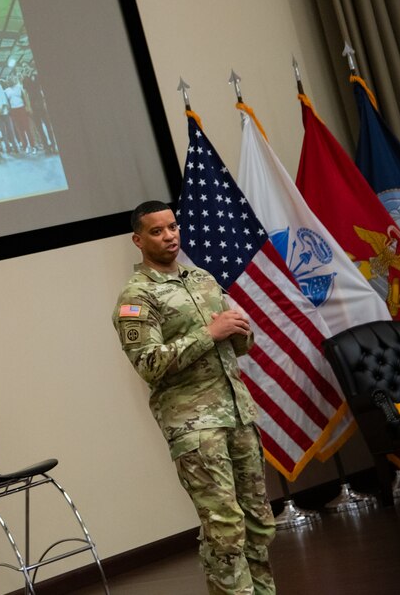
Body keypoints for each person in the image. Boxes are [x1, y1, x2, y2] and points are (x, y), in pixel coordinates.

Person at [112, 201, 275, 595]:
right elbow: (149, 364)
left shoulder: (200, 278)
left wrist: (238, 330)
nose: (169, 236)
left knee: (258, 523)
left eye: (172, 227)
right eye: (157, 231)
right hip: (195, 427)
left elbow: (236, 347)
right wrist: (210, 333)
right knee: (225, 530)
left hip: (236, 413)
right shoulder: (136, 299)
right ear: (138, 240)